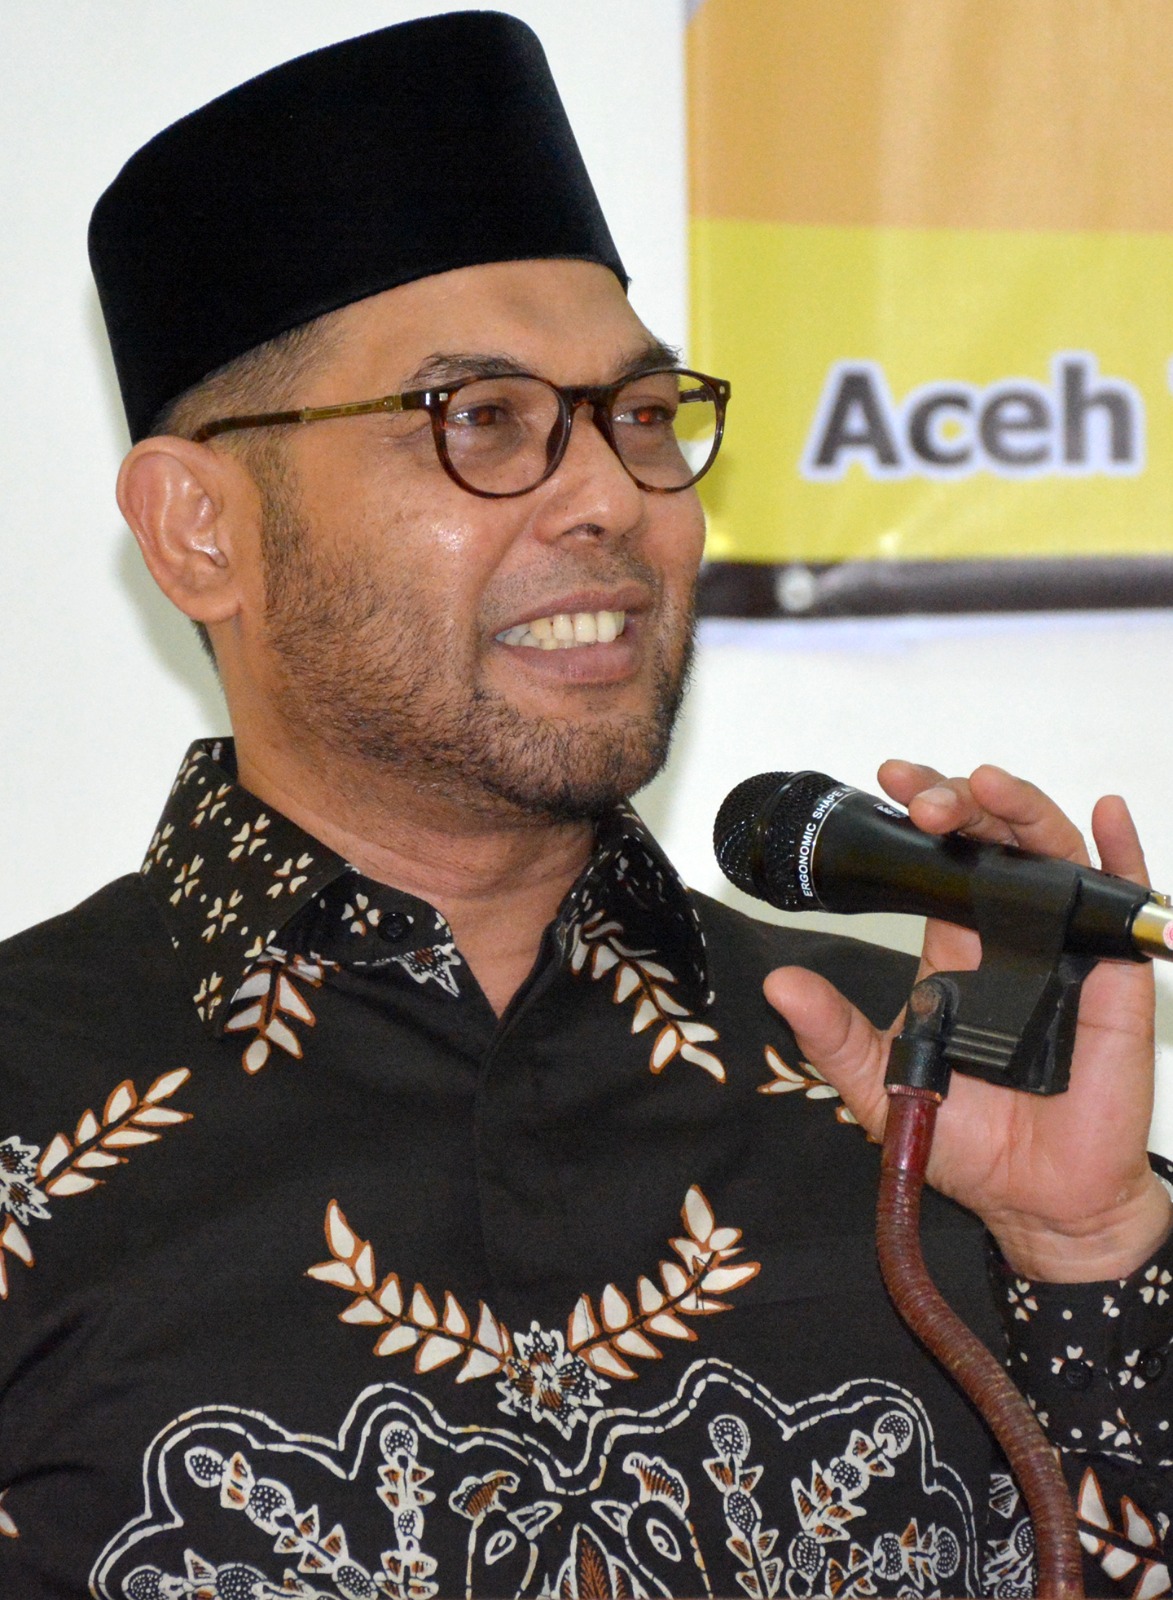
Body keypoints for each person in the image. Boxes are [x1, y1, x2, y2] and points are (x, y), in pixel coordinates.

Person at [1, 13, 1170, 1598]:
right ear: (199, 529)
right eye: (479, 419)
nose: (613, 496)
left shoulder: (908, 1086)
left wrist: (1084, 1258)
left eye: (639, 416)